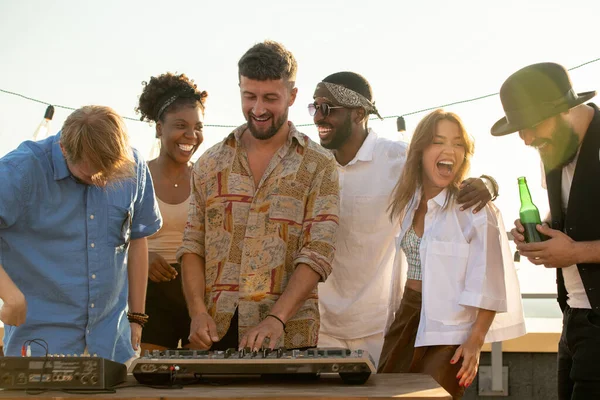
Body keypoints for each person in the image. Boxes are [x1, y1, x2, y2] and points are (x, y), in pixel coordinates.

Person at [311, 72, 499, 367]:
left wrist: (488, 184)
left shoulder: (398, 158)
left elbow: (451, 172)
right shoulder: (313, 165)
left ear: (359, 113)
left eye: (328, 109)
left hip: (376, 328)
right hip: (318, 327)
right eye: (315, 107)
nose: (318, 117)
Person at [177, 40, 340, 352]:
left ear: (292, 95)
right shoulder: (210, 163)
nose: (259, 108)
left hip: (288, 335)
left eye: (270, 98)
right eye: (249, 96)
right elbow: (192, 246)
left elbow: (318, 252)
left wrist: (276, 319)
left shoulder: (319, 164)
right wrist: (197, 312)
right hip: (215, 335)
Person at [379, 109, 525, 399]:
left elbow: (489, 279)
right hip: (407, 316)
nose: (449, 150)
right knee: (384, 394)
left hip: (450, 330)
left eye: (458, 143)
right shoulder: (408, 202)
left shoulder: (476, 209)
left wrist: (475, 340)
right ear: (420, 149)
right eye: (438, 141)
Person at [0, 106, 162, 364]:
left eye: (110, 174)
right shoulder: (20, 170)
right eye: (91, 174)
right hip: (40, 346)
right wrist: (10, 295)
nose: (102, 183)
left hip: (114, 345)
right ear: (64, 149)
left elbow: (137, 238)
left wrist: (137, 318)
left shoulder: (135, 165)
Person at [492, 62, 600, 400]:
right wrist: (537, 232)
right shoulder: (551, 147)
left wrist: (575, 252)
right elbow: (568, 214)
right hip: (573, 320)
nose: (525, 139)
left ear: (566, 110)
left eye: (531, 126)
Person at [135, 72, 208, 352]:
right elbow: (109, 241)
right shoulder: (135, 177)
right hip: (148, 298)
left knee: (200, 385)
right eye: (180, 125)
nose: (191, 136)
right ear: (158, 128)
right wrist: (142, 256)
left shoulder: (207, 179)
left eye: (198, 127)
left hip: (198, 299)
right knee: (152, 379)